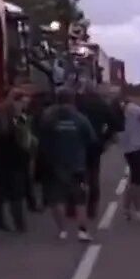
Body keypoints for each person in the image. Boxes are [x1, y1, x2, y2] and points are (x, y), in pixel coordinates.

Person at [37, 88, 98, 241]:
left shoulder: (49, 118)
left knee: (56, 199)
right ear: (72, 100)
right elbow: (92, 140)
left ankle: (62, 229)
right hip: (77, 164)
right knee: (79, 199)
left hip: (54, 164)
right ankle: (82, 230)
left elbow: (41, 138)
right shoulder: (81, 119)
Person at [77, 82, 122, 231]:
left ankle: (74, 207)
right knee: (94, 175)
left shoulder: (79, 103)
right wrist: (104, 138)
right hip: (96, 144)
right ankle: (91, 209)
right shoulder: (102, 105)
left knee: (77, 175)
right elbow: (115, 124)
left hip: (78, 143)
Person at [0, 88, 35, 233]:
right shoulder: (17, 115)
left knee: (1, 190)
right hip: (16, 157)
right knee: (16, 192)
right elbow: (22, 133)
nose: (27, 101)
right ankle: (19, 224)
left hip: (1, 156)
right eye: (24, 98)